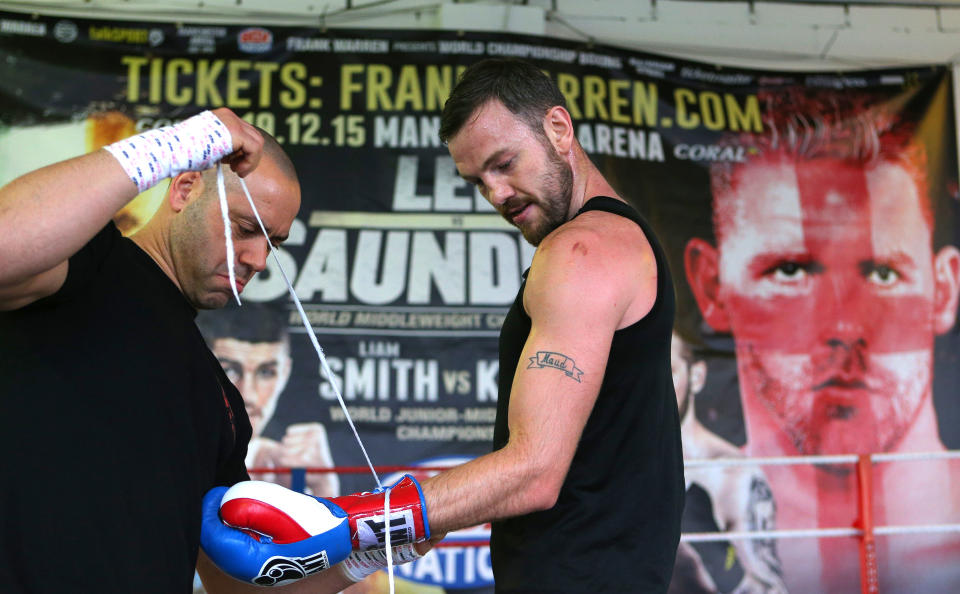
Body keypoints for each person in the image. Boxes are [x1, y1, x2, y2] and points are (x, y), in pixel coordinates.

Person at [209, 58, 684, 592]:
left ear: (558, 128)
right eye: (478, 181)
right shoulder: (616, 238)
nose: (498, 195)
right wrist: (372, 541)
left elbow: (535, 470)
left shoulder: (581, 250)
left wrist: (353, 523)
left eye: (505, 164)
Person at [0, 107, 384, 593]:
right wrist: (177, 143)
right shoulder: (86, 262)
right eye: (246, 228)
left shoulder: (219, 396)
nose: (260, 260)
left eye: (275, 245)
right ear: (185, 188)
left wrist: (361, 560)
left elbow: (233, 587)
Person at [683, 89, 960, 592]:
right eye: (790, 270)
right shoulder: (682, 547)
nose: (843, 328)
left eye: (881, 271)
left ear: (943, 289)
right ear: (712, 287)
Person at [669, 330, 786, 594]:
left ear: (696, 376)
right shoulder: (619, 469)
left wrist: (712, 571)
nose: (653, 387)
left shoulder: (733, 476)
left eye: (667, 371)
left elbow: (770, 590)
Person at [197, 304, 340, 498]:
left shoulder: (285, 469)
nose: (248, 395)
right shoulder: (176, 445)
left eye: (266, 372)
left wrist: (324, 486)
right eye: (229, 370)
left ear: (285, 372)